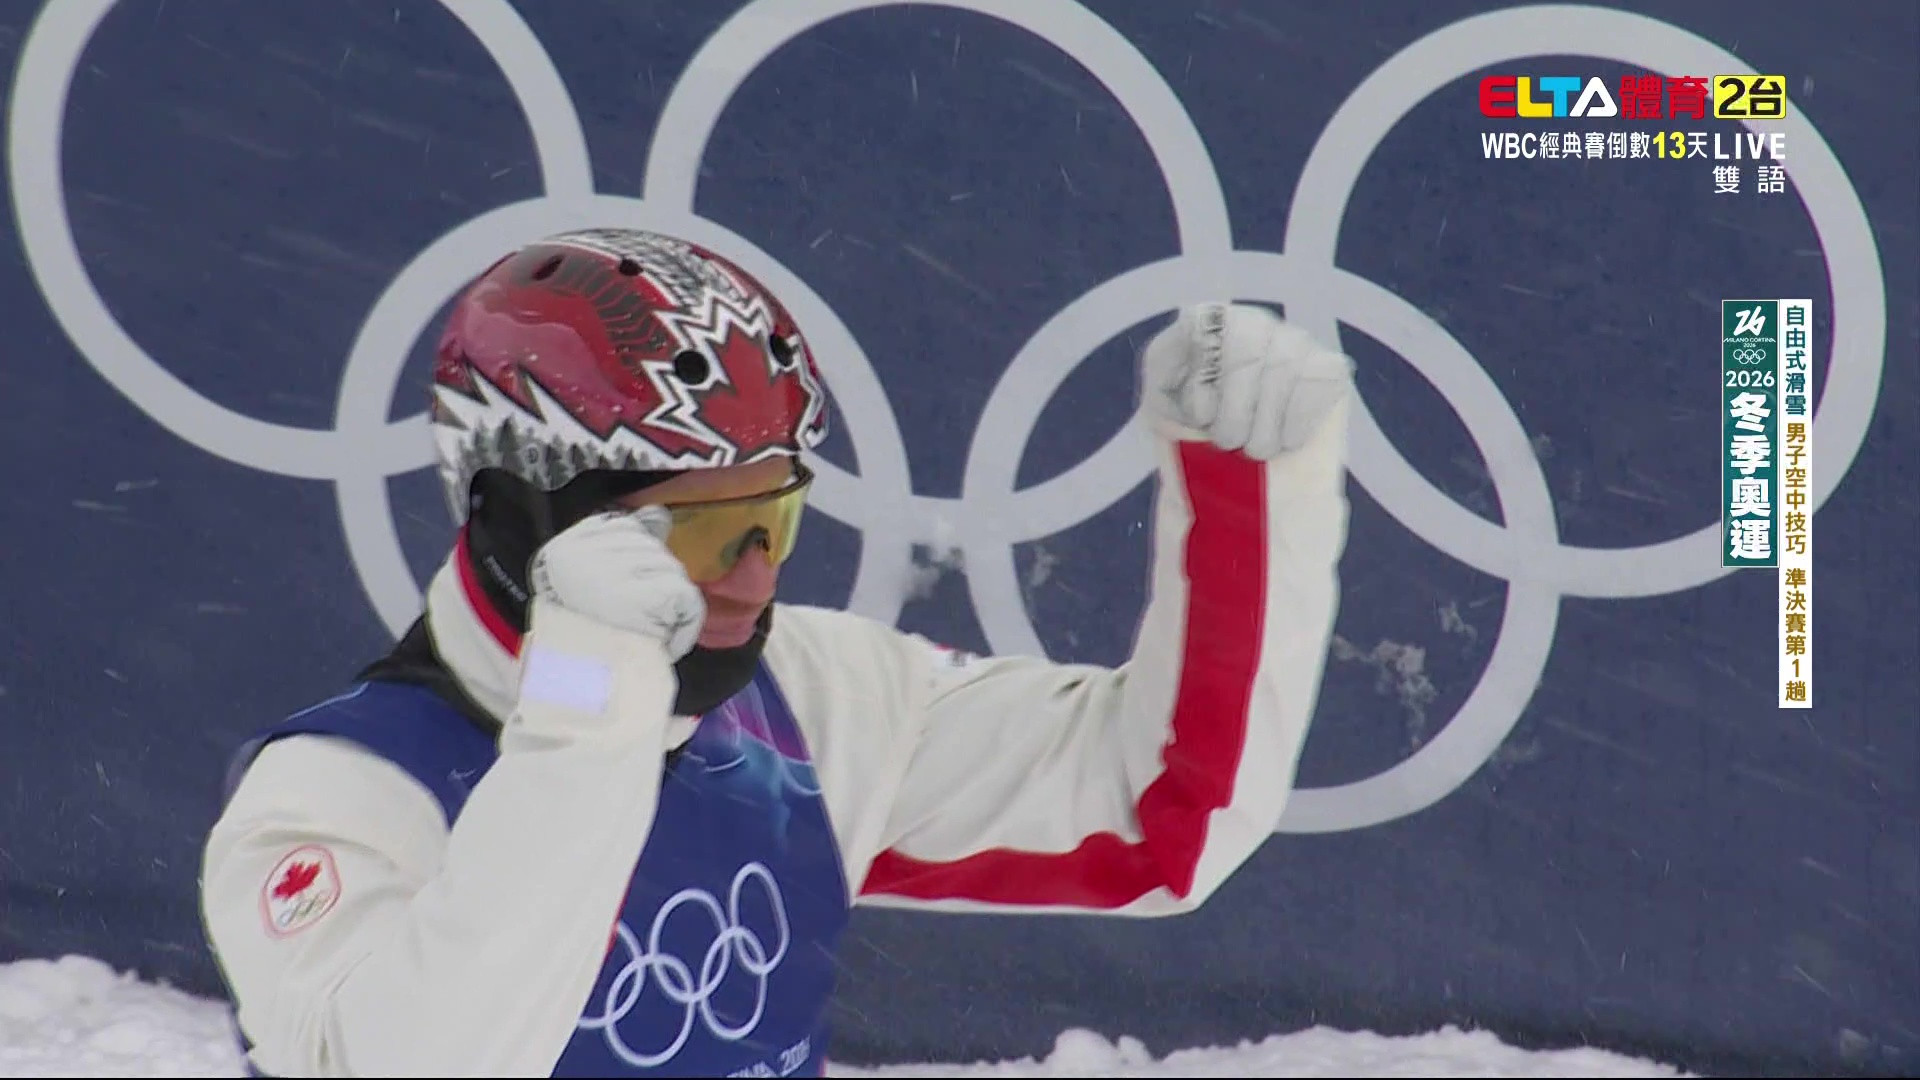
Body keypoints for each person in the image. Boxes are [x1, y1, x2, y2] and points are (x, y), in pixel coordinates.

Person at [198, 226, 1356, 1078]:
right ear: (521, 517)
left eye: (778, 519)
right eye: (701, 530)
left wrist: (1248, 488)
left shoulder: (807, 701)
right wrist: (589, 712)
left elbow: (1157, 817)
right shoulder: (337, 796)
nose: (753, 575)